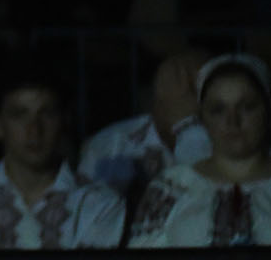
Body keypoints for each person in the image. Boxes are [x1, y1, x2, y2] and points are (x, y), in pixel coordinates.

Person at [0, 65, 124, 250]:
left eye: (47, 114)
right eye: (19, 115)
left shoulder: (96, 205)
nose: (34, 130)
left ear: (64, 122)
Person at [127, 54, 270, 248]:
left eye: (247, 107)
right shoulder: (172, 188)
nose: (232, 121)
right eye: (218, 110)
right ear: (203, 116)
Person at [77, 49, 213, 213]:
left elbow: (209, 200)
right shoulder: (112, 144)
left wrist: (186, 125)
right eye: (187, 87)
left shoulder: (221, 141)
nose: (187, 98)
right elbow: (89, 216)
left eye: (197, 90)